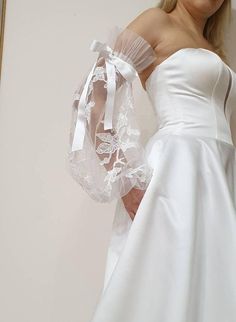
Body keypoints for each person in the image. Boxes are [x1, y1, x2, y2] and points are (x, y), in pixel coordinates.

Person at [67, 1, 236, 321]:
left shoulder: (215, 49)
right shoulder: (158, 21)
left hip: (221, 177)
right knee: (162, 283)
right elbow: (93, 97)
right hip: (176, 173)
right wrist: (124, 180)